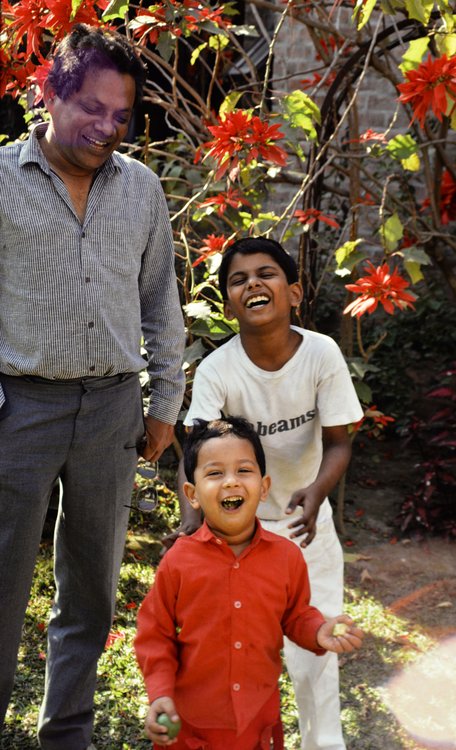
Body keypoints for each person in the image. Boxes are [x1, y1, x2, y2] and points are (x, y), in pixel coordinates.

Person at [0, 24, 185, 750]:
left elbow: (160, 299)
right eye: (92, 108)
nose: (107, 127)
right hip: (19, 409)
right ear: (50, 92)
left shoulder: (138, 189)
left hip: (113, 410)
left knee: (91, 595)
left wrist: (164, 402)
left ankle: (66, 735)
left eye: (122, 114)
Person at [173, 237, 364, 750]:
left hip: (307, 530)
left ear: (294, 292)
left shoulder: (321, 354)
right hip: (239, 538)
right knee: (234, 662)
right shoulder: (218, 371)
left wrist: (316, 493)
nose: (253, 283)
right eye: (238, 279)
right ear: (230, 302)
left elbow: (339, 443)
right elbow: (195, 454)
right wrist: (196, 529)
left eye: (267, 274)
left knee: (317, 657)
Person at [135, 417, 364, 749]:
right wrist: (159, 693)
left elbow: (295, 615)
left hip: (256, 722)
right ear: (192, 494)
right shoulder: (179, 562)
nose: (231, 482)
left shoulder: (287, 557)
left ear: (264, 487)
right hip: (191, 727)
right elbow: (155, 634)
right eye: (215, 473)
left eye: (244, 470)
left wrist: (317, 630)